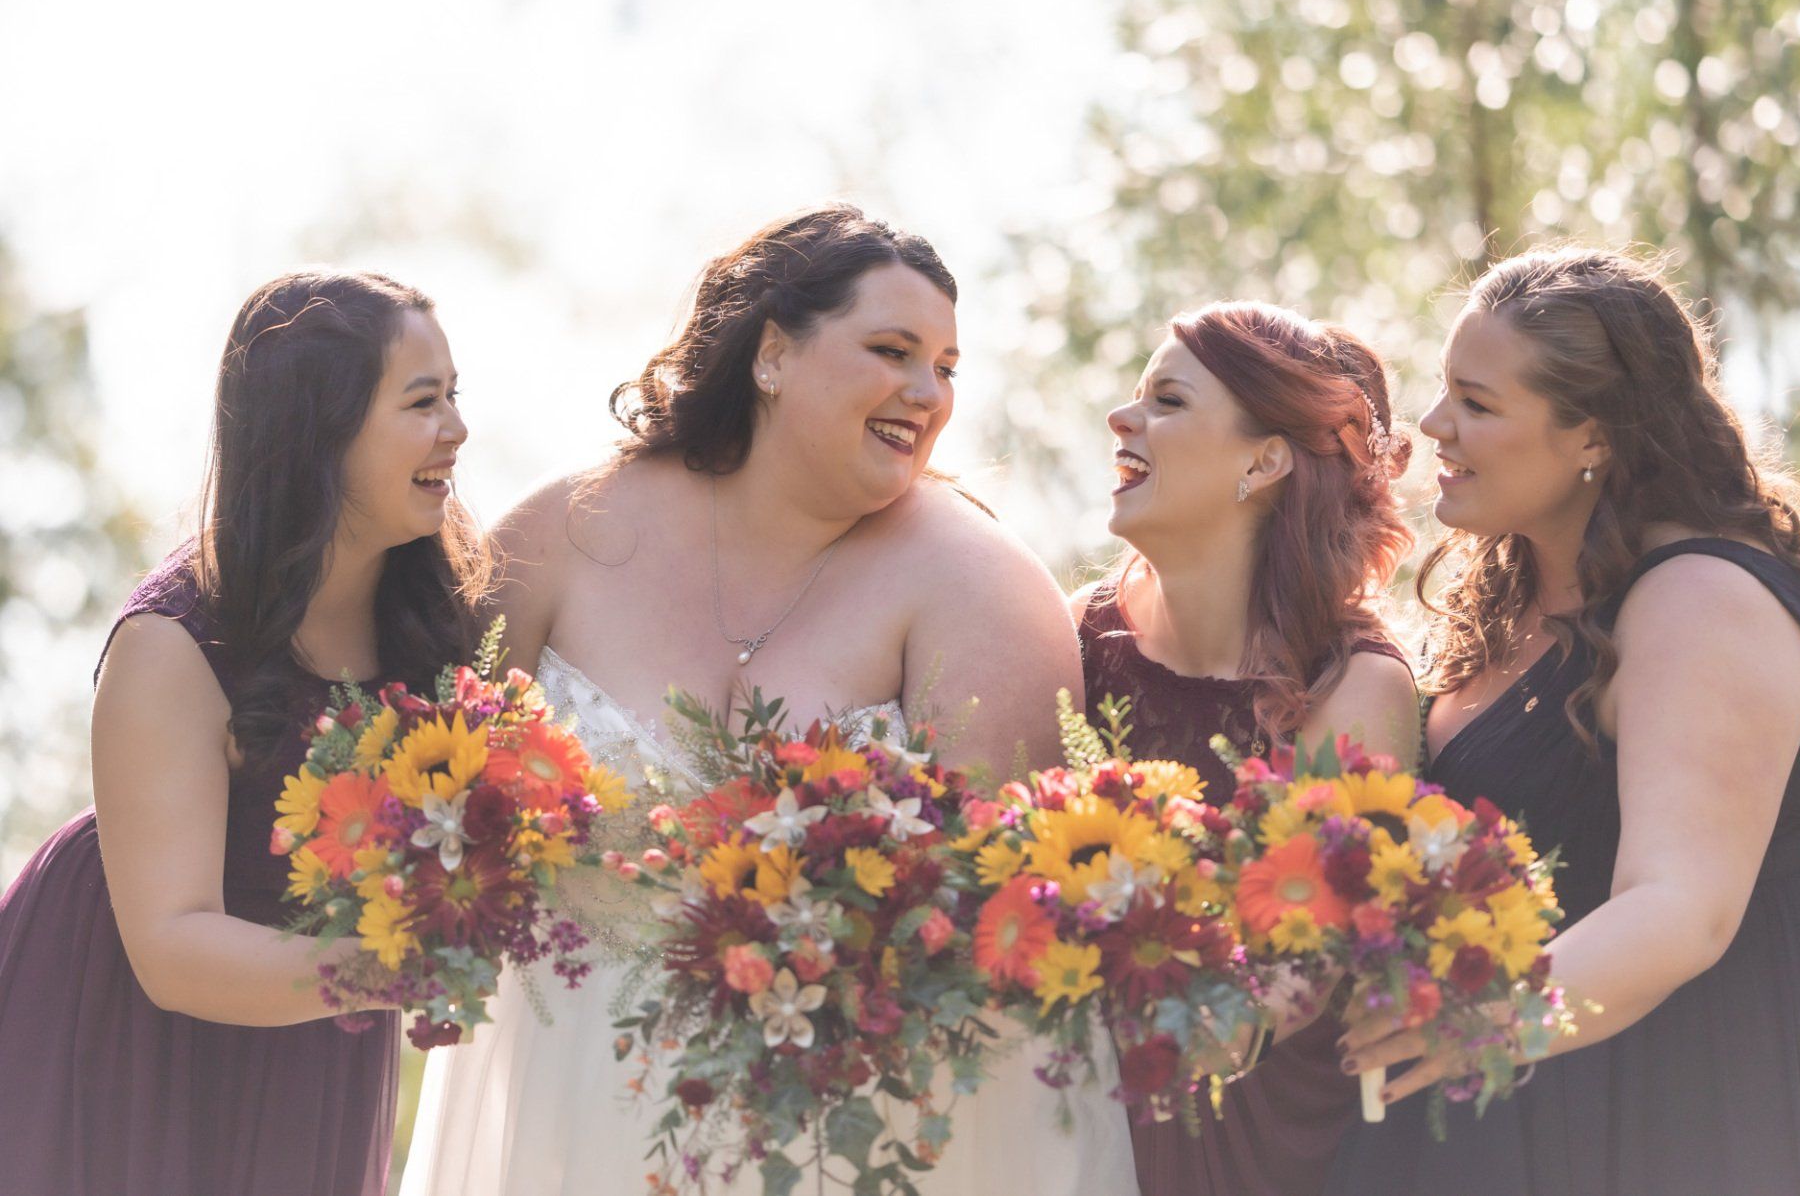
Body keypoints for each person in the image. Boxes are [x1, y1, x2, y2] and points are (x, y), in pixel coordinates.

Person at [402, 203, 1139, 1195]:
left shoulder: (980, 585)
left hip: (846, 1127)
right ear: (773, 352)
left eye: (948, 369)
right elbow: (424, 768)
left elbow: (994, 928)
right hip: (562, 1102)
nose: (928, 393)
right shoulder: (568, 530)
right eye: (893, 350)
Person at [1331, 247, 1800, 1195]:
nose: (1435, 426)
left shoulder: (1700, 602)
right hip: (1589, 1068)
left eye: (1478, 405)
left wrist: (1474, 1018)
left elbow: (1681, 908)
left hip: (1752, 1071)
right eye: (1445, 391)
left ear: (1593, 438)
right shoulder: (1522, 584)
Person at [0, 271, 486, 1195]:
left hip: (314, 1047)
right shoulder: (172, 643)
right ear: (322, 428)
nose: (455, 428)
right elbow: (173, 949)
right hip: (121, 1045)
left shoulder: (440, 616)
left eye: (455, 395)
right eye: (423, 402)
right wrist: (397, 969)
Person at [1076, 300, 1420, 1195]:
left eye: (1168, 401)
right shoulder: (1077, 636)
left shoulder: (1354, 686)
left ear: (1264, 462)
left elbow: (1308, 968)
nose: (1123, 417)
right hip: (1074, 1117)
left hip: (1267, 1146)